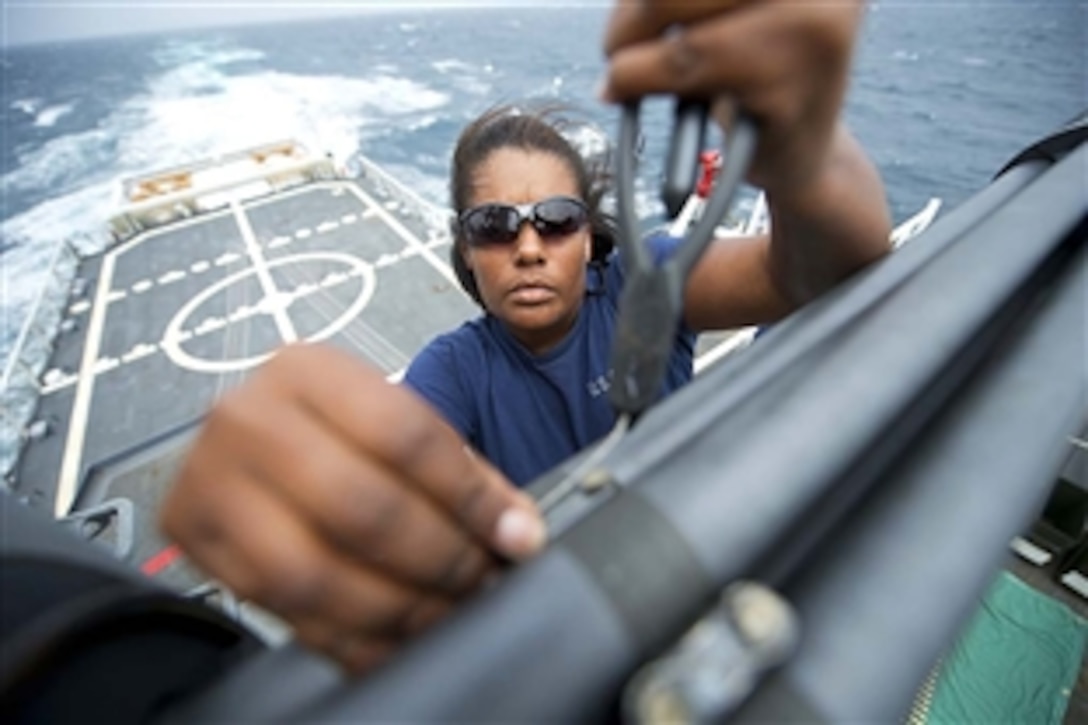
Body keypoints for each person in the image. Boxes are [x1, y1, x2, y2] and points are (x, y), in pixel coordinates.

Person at [160, 0, 891, 674]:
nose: (530, 245)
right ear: (468, 251)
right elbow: (400, 457)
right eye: (495, 226)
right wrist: (305, 485)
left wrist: (805, 151)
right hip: (576, 620)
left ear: (590, 235)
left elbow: (823, 264)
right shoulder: (455, 368)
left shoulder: (649, 284)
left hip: (705, 561)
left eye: (558, 219)